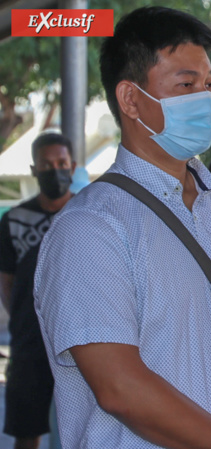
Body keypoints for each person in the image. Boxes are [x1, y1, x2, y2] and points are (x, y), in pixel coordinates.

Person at [33, 7, 211, 449]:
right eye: (186, 85)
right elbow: (119, 387)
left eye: (209, 84)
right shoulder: (88, 229)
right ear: (130, 99)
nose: (206, 99)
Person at [0, 132, 75, 449]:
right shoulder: (15, 220)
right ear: (34, 170)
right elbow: (6, 281)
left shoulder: (88, 212)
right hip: (30, 342)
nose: (55, 171)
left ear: (73, 166)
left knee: (82, 428)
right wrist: (27, 318)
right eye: (46, 165)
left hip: (79, 338)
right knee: (26, 428)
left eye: (61, 163)